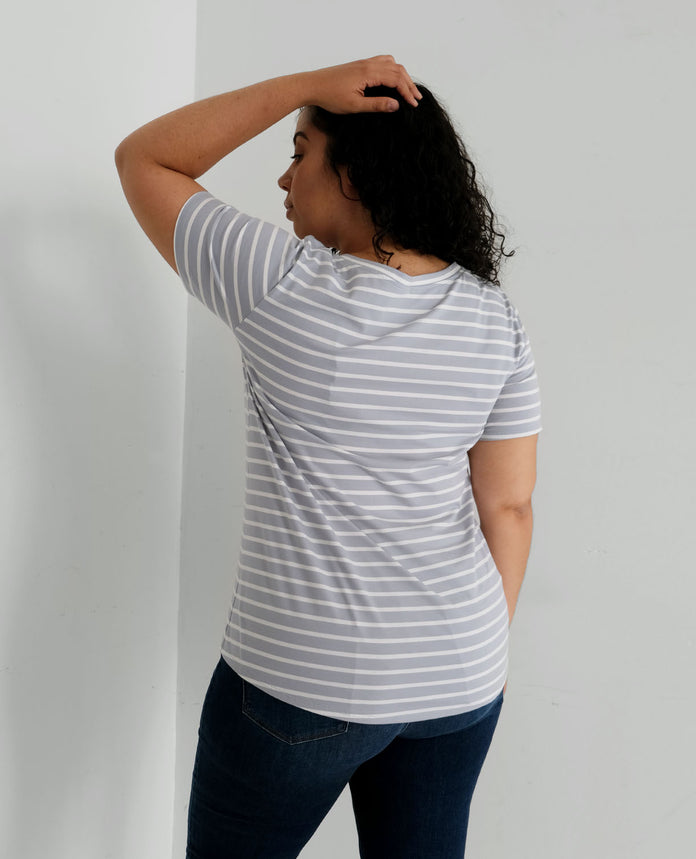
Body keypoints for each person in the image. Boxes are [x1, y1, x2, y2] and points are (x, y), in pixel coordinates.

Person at [116, 55, 541, 859]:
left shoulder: (278, 282)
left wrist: (307, 84)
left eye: (300, 151)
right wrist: (479, 652)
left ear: (353, 171)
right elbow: (509, 506)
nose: (283, 179)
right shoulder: (494, 316)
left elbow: (146, 158)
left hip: (301, 683)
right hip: (459, 673)